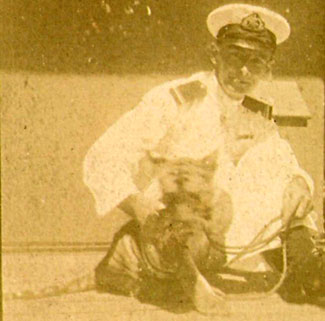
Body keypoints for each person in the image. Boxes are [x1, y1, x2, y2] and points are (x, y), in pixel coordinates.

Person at [83, 3, 324, 313]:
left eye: (256, 62)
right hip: (184, 237)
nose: (244, 72)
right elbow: (103, 157)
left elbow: (284, 163)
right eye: (235, 58)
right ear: (215, 53)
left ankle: (304, 274)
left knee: (312, 267)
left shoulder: (258, 108)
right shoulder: (178, 99)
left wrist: (299, 183)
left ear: (269, 67)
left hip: (239, 243)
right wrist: (142, 210)